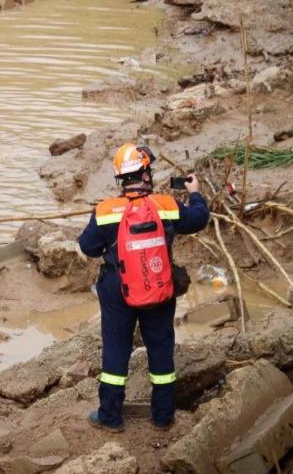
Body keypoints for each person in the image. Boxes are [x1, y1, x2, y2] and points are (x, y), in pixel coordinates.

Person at [78, 142, 210, 432]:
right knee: (161, 347)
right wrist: (195, 192)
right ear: (146, 173)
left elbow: (88, 247)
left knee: (115, 349)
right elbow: (200, 219)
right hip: (159, 286)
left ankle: (110, 417)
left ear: (120, 179)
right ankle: (163, 416)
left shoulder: (105, 210)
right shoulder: (166, 205)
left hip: (117, 289)